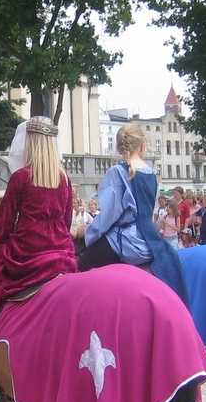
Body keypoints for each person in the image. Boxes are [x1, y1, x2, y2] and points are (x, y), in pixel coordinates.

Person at [0, 116, 77, 352]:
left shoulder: (21, 177)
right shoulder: (64, 179)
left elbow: (5, 223)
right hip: (61, 253)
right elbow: (67, 221)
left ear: (30, 143)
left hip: (27, 253)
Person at [78, 124, 188, 305]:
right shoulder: (151, 173)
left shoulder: (118, 172)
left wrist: (88, 231)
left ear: (119, 148)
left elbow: (109, 216)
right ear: (142, 146)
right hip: (149, 238)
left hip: (125, 239)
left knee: (81, 268)